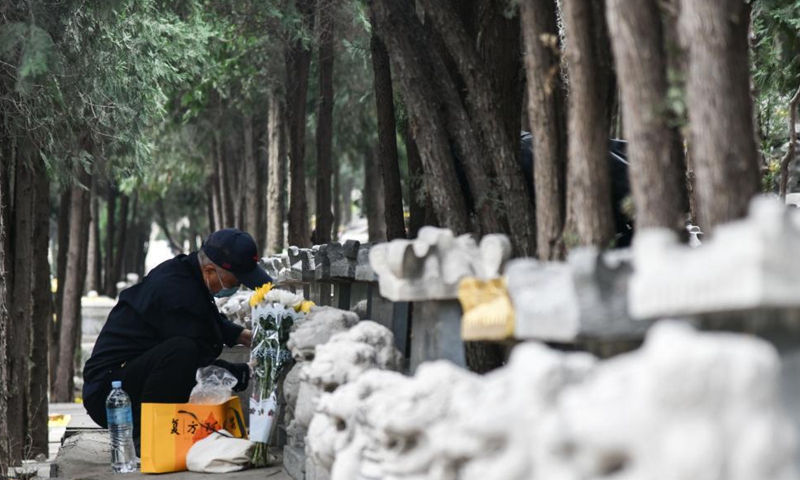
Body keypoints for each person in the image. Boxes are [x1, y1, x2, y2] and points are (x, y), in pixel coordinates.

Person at [82, 228, 272, 453]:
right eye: (235, 281)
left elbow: (206, 317)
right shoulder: (176, 293)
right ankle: (147, 435)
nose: (235, 288)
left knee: (183, 351)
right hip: (110, 392)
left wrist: (242, 335)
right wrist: (241, 372)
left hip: (132, 373)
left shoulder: (186, 272)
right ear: (210, 271)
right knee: (182, 351)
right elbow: (194, 360)